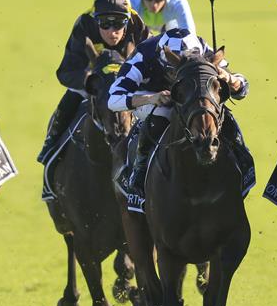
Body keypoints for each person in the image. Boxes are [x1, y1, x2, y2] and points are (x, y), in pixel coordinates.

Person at [107, 28, 250, 196]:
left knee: (219, 112)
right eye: (172, 72)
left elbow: (243, 88)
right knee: (163, 113)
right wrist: (151, 98)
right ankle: (140, 168)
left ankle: (243, 159)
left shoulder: (203, 49)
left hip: (190, 95)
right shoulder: (143, 56)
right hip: (151, 96)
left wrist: (229, 78)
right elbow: (113, 100)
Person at [37, 0, 149, 163]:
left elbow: (152, 62)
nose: (112, 32)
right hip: (95, 80)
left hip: (128, 78)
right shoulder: (84, 24)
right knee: (72, 95)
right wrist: (89, 81)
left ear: (127, 21)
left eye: (119, 23)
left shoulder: (137, 25)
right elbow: (66, 71)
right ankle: (52, 142)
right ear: (95, 21)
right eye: (105, 24)